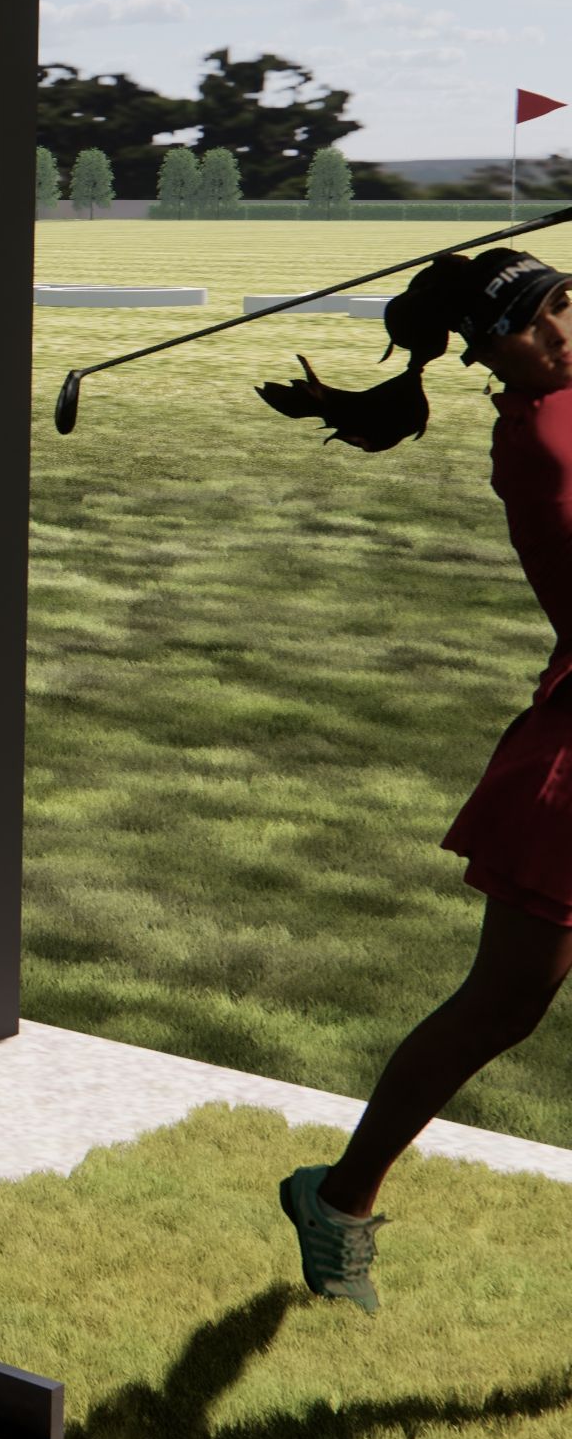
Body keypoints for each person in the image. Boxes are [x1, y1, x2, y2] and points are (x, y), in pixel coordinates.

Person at [259, 248, 572, 1311]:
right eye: (533, 325)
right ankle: (339, 1198)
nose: (562, 334)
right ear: (489, 352)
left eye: (567, 306)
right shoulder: (542, 441)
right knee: (502, 1006)